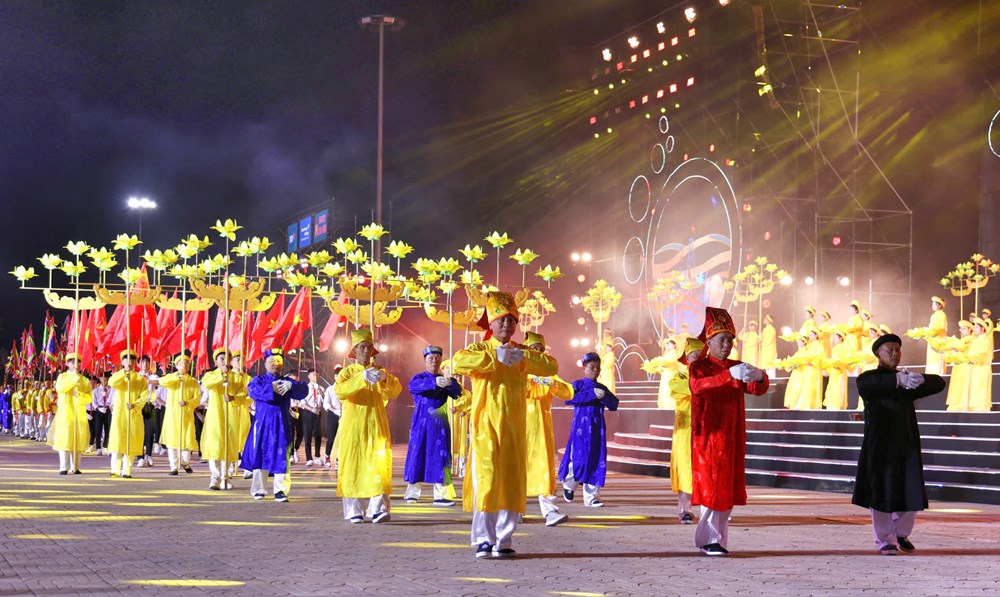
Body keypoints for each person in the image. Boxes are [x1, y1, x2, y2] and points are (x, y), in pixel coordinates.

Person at [452, 291, 558, 559]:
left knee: (511, 482)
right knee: (487, 481)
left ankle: (504, 538)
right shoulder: (480, 350)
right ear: (491, 323)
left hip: (513, 429)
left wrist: (523, 359)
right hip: (486, 429)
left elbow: (551, 366)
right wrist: (493, 359)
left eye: (511, 321)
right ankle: (484, 539)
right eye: (501, 321)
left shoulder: (521, 352)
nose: (507, 326)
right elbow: (458, 362)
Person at [851, 333, 946, 555]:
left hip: (906, 442)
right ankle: (885, 539)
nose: (895, 354)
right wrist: (896, 380)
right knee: (881, 491)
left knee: (911, 489)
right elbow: (867, 385)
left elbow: (939, 383)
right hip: (880, 444)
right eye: (889, 350)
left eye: (897, 350)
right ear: (878, 354)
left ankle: (901, 532)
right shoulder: (871, 378)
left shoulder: (908, 379)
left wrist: (921, 379)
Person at [689, 307, 769, 556]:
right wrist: (727, 376)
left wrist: (760, 376)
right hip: (709, 436)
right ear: (709, 342)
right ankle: (711, 538)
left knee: (726, 488)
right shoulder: (699, 367)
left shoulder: (737, 366)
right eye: (722, 339)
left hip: (732, 436)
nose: (727, 344)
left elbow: (757, 389)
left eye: (730, 340)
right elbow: (698, 387)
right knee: (714, 486)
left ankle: (714, 539)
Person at [336, 329, 402, 523]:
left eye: (368, 346)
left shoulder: (381, 371)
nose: (365, 350)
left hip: (377, 426)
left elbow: (395, 390)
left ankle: (378, 508)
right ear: (354, 350)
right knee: (353, 466)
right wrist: (361, 378)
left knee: (378, 465)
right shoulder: (346, 373)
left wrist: (384, 379)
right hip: (353, 427)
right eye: (361, 347)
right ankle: (354, 509)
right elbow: (340, 392)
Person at [243, 348, 308, 502]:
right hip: (262, 425)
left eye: (278, 361)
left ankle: (281, 490)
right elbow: (254, 392)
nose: (275, 364)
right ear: (265, 363)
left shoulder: (287, 381)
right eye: (272, 361)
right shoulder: (258, 380)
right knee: (260, 454)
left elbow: (303, 391)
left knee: (282, 456)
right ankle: (259, 489)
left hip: (281, 424)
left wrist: (292, 387)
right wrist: (273, 388)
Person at [558, 351, 620, 508]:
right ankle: (569, 484)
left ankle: (591, 498)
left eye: (598, 367)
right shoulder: (578, 385)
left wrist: (603, 397)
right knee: (579, 459)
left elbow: (613, 405)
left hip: (597, 430)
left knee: (596, 461)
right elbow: (569, 398)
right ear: (584, 368)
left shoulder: (602, 387)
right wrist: (592, 395)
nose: (595, 370)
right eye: (592, 367)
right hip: (580, 430)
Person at [523, 332, 571, 527]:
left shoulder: (548, 371)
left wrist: (552, 382)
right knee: (516, 469)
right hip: (519, 427)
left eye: (541, 350)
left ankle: (550, 511)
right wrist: (528, 379)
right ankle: (513, 509)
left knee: (544, 469)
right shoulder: (519, 370)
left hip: (541, 429)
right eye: (534, 349)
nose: (538, 353)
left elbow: (567, 391)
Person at [403, 345, 462, 506]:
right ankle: (412, 492)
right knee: (418, 454)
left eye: (437, 358)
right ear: (425, 361)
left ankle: (442, 494)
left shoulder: (446, 378)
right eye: (431, 358)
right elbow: (412, 387)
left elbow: (458, 392)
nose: (434, 361)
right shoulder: (419, 378)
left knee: (441, 456)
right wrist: (434, 382)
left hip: (439, 425)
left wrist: (449, 382)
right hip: (421, 424)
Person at [668, 337, 704, 524]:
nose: (697, 360)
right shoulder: (679, 378)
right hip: (684, 430)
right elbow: (689, 389)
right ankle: (685, 508)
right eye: (693, 356)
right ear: (687, 359)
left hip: (705, 428)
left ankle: (711, 508)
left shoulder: (709, 378)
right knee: (685, 467)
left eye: (700, 356)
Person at [201, 348, 248, 490]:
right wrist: (222, 375)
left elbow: (243, 395)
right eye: (221, 359)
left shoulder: (237, 377)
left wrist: (234, 397)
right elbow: (207, 384)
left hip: (231, 417)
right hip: (215, 417)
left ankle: (225, 478)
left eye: (227, 358)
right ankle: (214, 479)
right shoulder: (211, 375)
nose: (224, 361)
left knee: (227, 449)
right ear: (216, 361)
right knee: (215, 448)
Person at [49, 353, 92, 474]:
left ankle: (76, 466)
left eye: (77, 362)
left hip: (79, 413)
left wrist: (80, 395)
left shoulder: (84, 380)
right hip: (65, 412)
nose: (75, 364)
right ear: (67, 364)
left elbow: (89, 398)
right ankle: (63, 467)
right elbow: (61, 388)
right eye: (72, 362)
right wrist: (73, 378)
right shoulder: (62, 377)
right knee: (65, 438)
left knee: (78, 439)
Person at [158, 355, 200, 475]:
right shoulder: (172, 379)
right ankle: (174, 467)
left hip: (186, 416)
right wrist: (177, 377)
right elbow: (162, 382)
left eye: (187, 363)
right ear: (176, 366)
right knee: (172, 443)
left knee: (187, 442)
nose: (184, 366)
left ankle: (185, 462)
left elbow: (197, 399)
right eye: (181, 363)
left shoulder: (193, 382)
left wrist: (187, 403)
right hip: (172, 416)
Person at [107, 350, 146, 478]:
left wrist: (135, 405)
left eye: (133, 359)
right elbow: (111, 383)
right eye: (126, 359)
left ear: (136, 362)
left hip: (133, 413)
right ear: (122, 362)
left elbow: (145, 396)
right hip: (119, 413)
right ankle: (115, 470)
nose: (130, 362)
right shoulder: (117, 376)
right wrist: (125, 373)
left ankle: (127, 470)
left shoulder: (141, 379)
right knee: (117, 441)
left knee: (131, 441)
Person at [300, 369, 324, 466]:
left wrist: (319, 390)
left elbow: (325, 400)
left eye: (317, 375)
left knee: (318, 435)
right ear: (309, 376)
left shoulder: (320, 387)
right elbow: (302, 403)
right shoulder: (305, 388)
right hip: (308, 412)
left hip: (318, 412)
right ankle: (309, 458)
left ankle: (317, 456)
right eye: (313, 375)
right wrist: (311, 409)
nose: (315, 376)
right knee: (307, 435)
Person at [321, 365, 343, 468]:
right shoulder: (330, 389)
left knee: (342, 439)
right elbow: (326, 404)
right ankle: (327, 455)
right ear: (334, 376)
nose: (340, 377)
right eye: (338, 375)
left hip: (344, 416)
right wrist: (335, 411)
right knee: (332, 437)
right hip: (333, 415)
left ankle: (338, 459)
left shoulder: (347, 388)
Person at [923, 297, 949, 375]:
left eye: (934, 304)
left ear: (940, 305)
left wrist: (932, 332)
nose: (932, 305)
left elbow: (941, 328)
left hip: (939, 341)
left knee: (938, 361)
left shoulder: (942, 314)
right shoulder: (934, 315)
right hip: (933, 340)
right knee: (931, 361)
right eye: (932, 304)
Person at [91, 373, 113, 455]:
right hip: (99, 410)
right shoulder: (95, 391)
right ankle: (98, 448)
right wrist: (98, 408)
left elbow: (112, 399)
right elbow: (94, 402)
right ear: (100, 379)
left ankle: (105, 446)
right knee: (98, 429)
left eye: (107, 380)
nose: (105, 382)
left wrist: (107, 397)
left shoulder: (110, 390)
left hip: (107, 409)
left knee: (108, 428)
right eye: (104, 380)